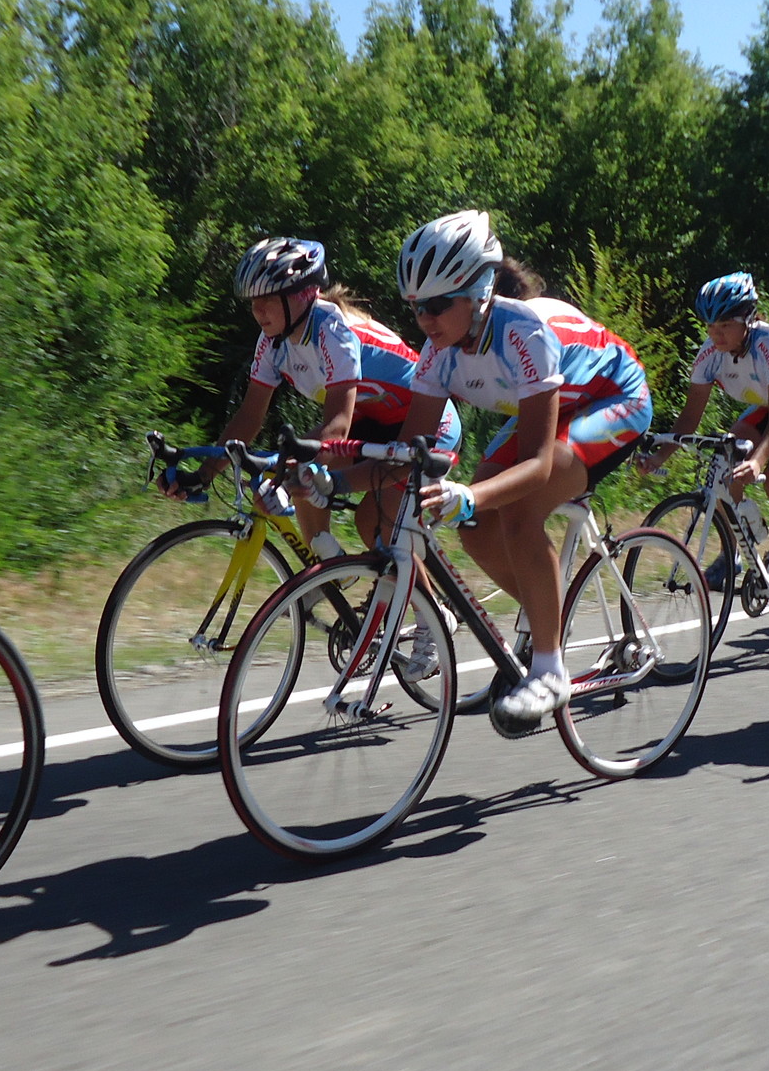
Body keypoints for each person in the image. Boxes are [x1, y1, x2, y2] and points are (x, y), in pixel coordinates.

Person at [391, 210, 652, 735]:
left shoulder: (524, 333)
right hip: (551, 406)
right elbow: (408, 450)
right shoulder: (438, 352)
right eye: (416, 307)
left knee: (516, 511)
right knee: (473, 525)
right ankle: (543, 611)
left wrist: (468, 494)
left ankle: (550, 671)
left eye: (437, 305)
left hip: (612, 398)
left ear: (478, 293)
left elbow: (535, 466)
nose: (425, 319)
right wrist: (329, 476)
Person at [164, 237, 458, 547]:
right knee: (304, 480)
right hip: (372, 424)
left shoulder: (334, 331)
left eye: (268, 298)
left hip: (427, 424)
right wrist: (202, 476)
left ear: (302, 295)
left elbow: (337, 427)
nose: (258, 310)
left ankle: (411, 579)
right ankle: (330, 569)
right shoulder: (272, 341)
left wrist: (283, 482)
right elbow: (249, 417)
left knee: (373, 524)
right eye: (253, 301)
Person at [634, 272, 769, 607]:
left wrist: (758, 461)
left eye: (725, 325)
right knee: (723, 468)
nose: (716, 334)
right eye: (710, 326)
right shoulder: (710, 354)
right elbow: (689, 417)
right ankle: (730, 554)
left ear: (748, 319)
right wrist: (660, 456)